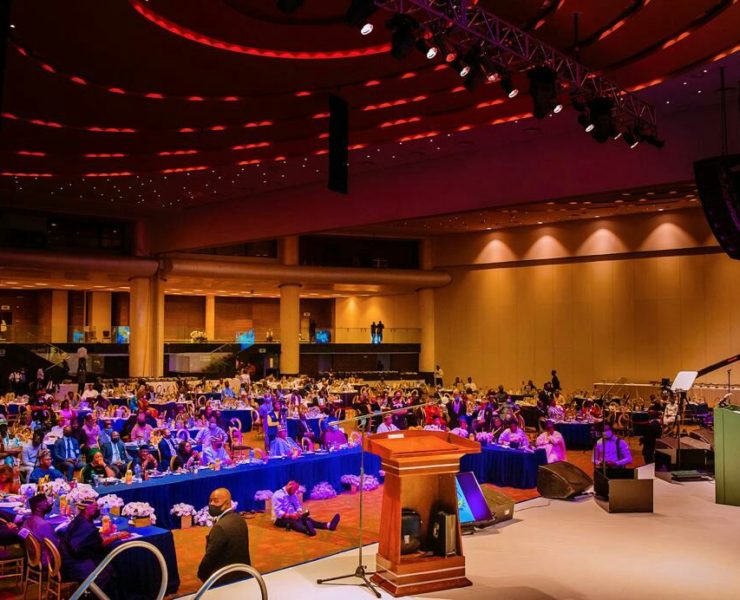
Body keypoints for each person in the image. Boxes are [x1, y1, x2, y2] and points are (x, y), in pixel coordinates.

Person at [59, 500, 129, 593]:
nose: (98, 510)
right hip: (75, 565)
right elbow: (101, 543)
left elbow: (92, 539)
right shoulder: (87, 527)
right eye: (95, 508)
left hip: (67, 560)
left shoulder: (79, 519)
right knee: (109, 570)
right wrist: (117, 536)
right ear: (86, 510)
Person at [197, 488, 251, 584]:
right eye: (210, 500)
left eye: (216, 501)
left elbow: (211, 556)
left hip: (224, 577)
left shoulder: (220, 527)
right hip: (244, 573)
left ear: (227, 503)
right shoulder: (240, 519)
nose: (211, 504)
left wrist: (201, 573)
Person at [272, 480, 340, 536]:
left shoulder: (292, 493)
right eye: (294, 490)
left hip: (291, 515)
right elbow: (278, 512)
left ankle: (328, 525)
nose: (295, 492)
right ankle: (307, 531)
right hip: (279, 519)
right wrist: (290, 515)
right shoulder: (278, 495)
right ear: (289, 486)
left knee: (307, 519)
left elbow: (297, 505)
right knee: (293, 522)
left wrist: (298, 512)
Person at [22, 494, 59, 566]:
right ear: (38, 508)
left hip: (31, 556)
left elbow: (21, 535)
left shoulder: (27, 520)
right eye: (46, 503)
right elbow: (55, 546)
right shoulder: (44, 525)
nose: (49, 504)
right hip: (45, 560)